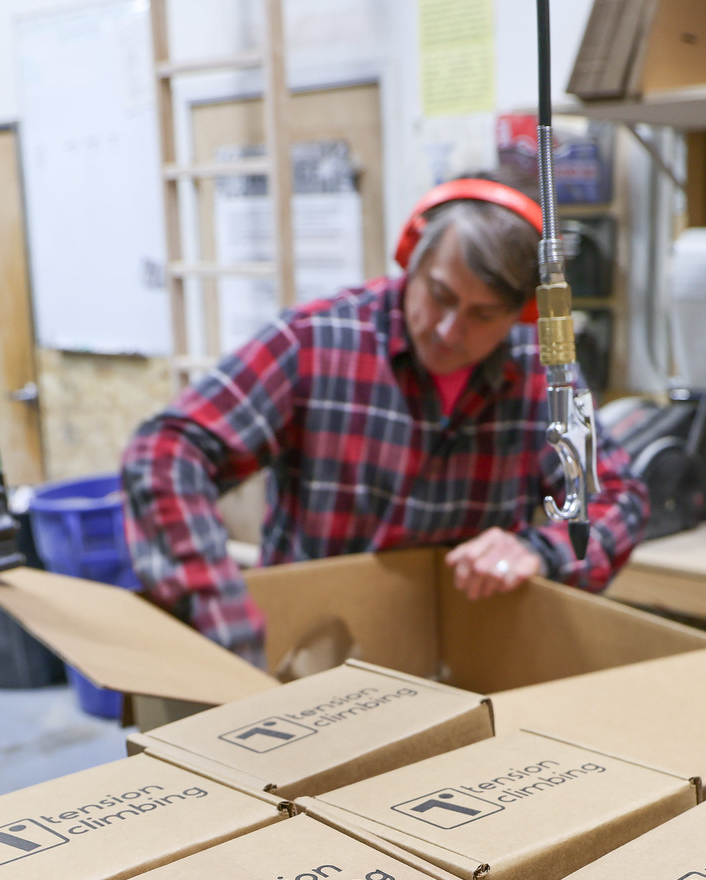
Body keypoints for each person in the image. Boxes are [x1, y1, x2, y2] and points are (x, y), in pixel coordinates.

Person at [121, 179, 645, 666]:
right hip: (308, 662)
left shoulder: (539, 370)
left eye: (482, 315)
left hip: (458, 665)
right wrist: (217, 601)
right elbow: (166, 452)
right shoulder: (314, 343)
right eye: (440, 294)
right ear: (409, 261)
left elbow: (617, 495)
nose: (448, 329)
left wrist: (541, 550)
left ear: (520, 316)